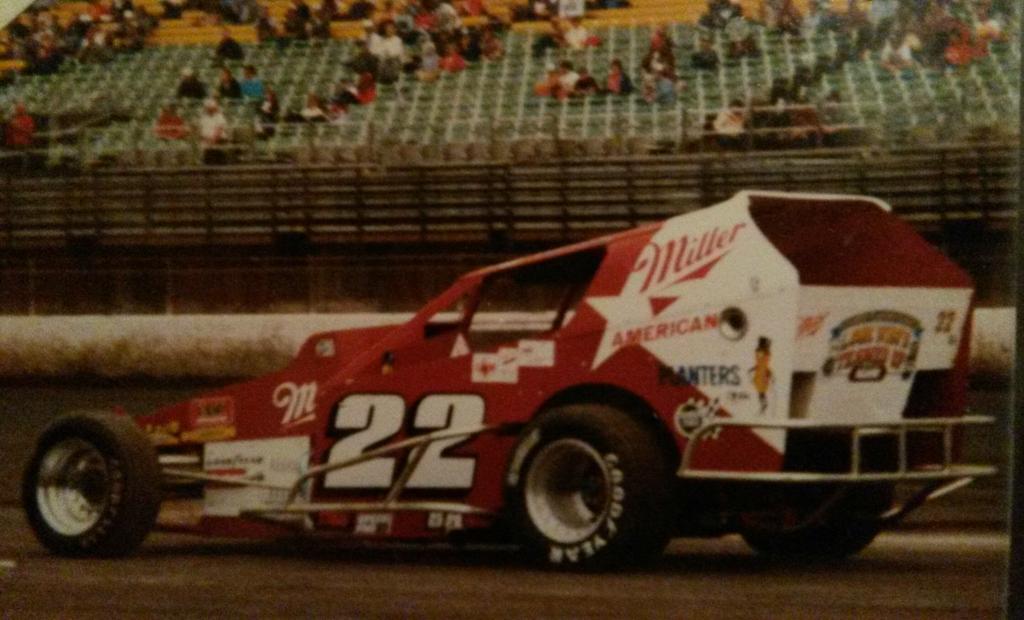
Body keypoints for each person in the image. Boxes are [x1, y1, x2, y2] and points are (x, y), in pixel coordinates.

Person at [198, 99, 228, 164]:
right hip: (206, 139)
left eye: (212, 108)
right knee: (204, 147)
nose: (210, 110)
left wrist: (213, 140)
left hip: (218, 139)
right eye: (208, 108)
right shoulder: (203, 118)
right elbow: (200, 131)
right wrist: (206, 139)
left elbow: (219, 130)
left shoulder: (220, 117)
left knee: (214, 147)